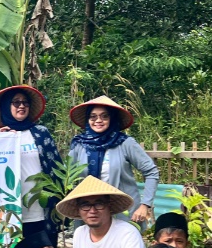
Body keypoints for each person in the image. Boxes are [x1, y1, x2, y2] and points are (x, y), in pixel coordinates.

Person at [0, 85, 64, 239]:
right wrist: (1, 142)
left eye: (25, 102)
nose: (21, 106)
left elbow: (56, 166)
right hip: (12, 210)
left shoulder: (40, 133)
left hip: (42, 206)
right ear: (6, 106)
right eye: (16, 102)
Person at [68, 96, 159, 224]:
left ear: (112, 118)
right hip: (89, 214)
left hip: (123, 213)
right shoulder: (79, 145)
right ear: (88, 119)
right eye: (93, 116)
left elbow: (151, 172)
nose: (98, 120)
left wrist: (145, 205)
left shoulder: (125, 143)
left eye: (104, 116)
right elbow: (69, 177)